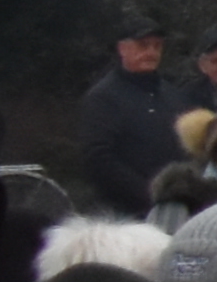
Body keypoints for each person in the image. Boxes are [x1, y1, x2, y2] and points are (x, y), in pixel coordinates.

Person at [74, 24, 179, 216]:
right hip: (121, 214)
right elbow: (97, 159)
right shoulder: (103, 97)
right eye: (143, 45)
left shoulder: (173, 94)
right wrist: (149, 192)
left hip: (172, 209)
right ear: (122, 49)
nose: (151, 52)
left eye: (157, 46)